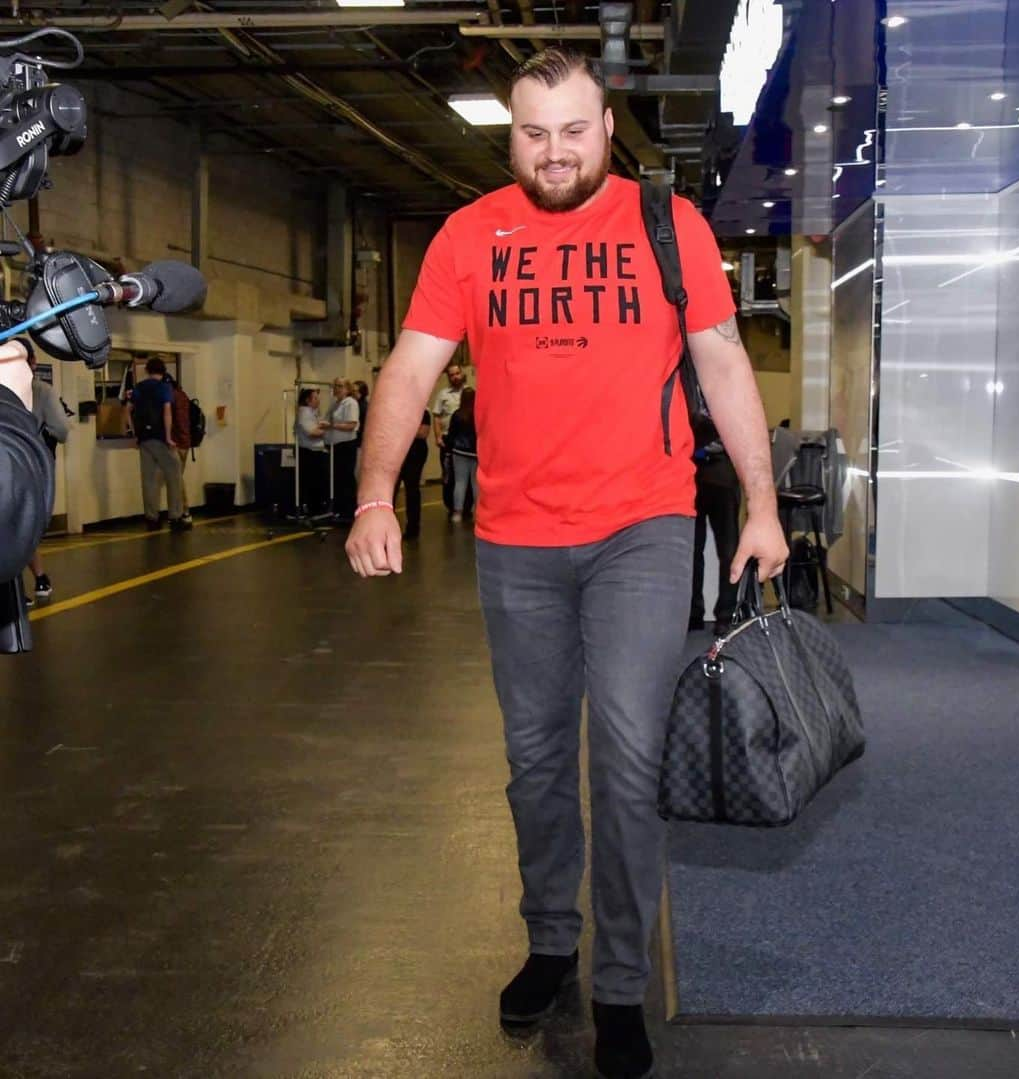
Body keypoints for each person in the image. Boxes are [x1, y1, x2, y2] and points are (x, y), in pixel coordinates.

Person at [344, 47, 787, 1079]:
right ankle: (553, 937)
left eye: (574, 130)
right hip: (515, 538)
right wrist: (375, 493)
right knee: (537, 761)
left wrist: (762, 504)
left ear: (607, 126)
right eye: (533, 133)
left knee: (627, 759)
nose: (554, 153)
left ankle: (622, 980)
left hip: (642, 524)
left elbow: (721, 359)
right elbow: (410, 367)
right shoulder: (468, 234)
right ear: (513, 136)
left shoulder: (665, 223)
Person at [0, 339, 53, 643]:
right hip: (22, 459)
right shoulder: (40, 391)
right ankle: (40, 579)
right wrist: (7, 399)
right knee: (23, 519)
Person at [22, 340, 69, 601]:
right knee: (26, 526)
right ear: (34, 363)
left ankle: (22, 584)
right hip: (32, 467)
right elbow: (62, 431)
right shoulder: (42, 391)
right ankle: (37, 580)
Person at [125, 357, 190, 532]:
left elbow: (127, 410)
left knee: (149, 480)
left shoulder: (139, 387)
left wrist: (133, 433)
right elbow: (167, 412)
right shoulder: (164, 387)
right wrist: (169, 437)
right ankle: (175, 517)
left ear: (147, 370)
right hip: (160, 438)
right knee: (174, 474)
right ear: (163, 371)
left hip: (144, 439)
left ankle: (152, 519)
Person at [688, 434, 741, 630]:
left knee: (725, 552)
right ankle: (722, 616)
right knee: (698, 550)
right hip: (703, 476)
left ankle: (719, 615)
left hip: (710, 474)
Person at [324, 376, 359, 520]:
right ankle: (339, 508)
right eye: (335, 386)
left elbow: (351, 425)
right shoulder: (335, 404)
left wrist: (332, 426)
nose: (336, 389)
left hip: (346, 445)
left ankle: (349, 510)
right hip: (334, 445)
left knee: (346, 477)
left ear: (347, 388)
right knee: (337, 478)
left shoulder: (350, 403)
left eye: (340, 386)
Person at [160, 371, 193, 526]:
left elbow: (171, 420)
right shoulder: (183, 395)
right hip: (185, 443)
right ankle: (178, 513)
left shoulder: (169, 397)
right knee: (177, 478)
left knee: (176, 479)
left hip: (175, 443)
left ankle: (184, 512)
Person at [394, 408, 430, 540]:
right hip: (398, 451)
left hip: (415, 453)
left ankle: (413, 527)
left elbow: (422, 433)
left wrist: (402, 428)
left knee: (412, 490)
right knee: (392, 490)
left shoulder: (423, 412)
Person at [294, 387, 329, 516]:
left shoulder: (314, 412)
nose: (318, 400)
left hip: (317, 451)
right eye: (315, 398)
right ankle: (311, 509)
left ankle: (318, 508)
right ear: (308, 401)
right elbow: (312, 433)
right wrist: (328, 431)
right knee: (312, 482)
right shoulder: (304, 413)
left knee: (319, 482)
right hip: (309, 452)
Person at [446, 386, 478, 523]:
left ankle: (457, 513)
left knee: (460, 483)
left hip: (459, 452)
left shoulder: (457, 415)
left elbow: (451, 435)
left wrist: (448, 450)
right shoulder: (478, 414)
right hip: (476, 453)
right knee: (476, 484)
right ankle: (478, 512)